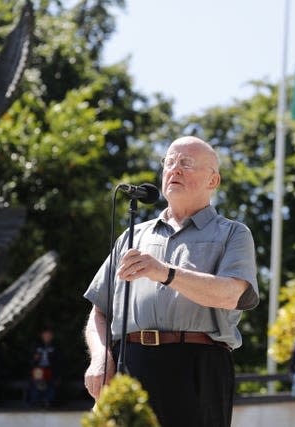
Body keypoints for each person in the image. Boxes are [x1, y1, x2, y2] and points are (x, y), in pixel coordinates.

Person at [83, 136, 259, 427]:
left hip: (198, 365)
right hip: (131, 364)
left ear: (213, 180)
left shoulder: (233, 234)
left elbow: (231, 294)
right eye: (169, 162)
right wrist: (101, 359)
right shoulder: (132, 236)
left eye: (186, 163)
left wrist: (164, 272)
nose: (174, 169)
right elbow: (99, 310)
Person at [29, 326, 59, 407]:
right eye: (45, 335)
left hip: (50, 369)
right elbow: (31, 360)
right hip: (38, 369)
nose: (47, 337)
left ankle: (49, 401)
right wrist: (35, 358)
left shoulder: (55, 346)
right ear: (42, 335)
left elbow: (59, 360)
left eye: (49, 335)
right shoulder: (37, 345)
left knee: (51, 380)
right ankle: (35, 401)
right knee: (37, 379)